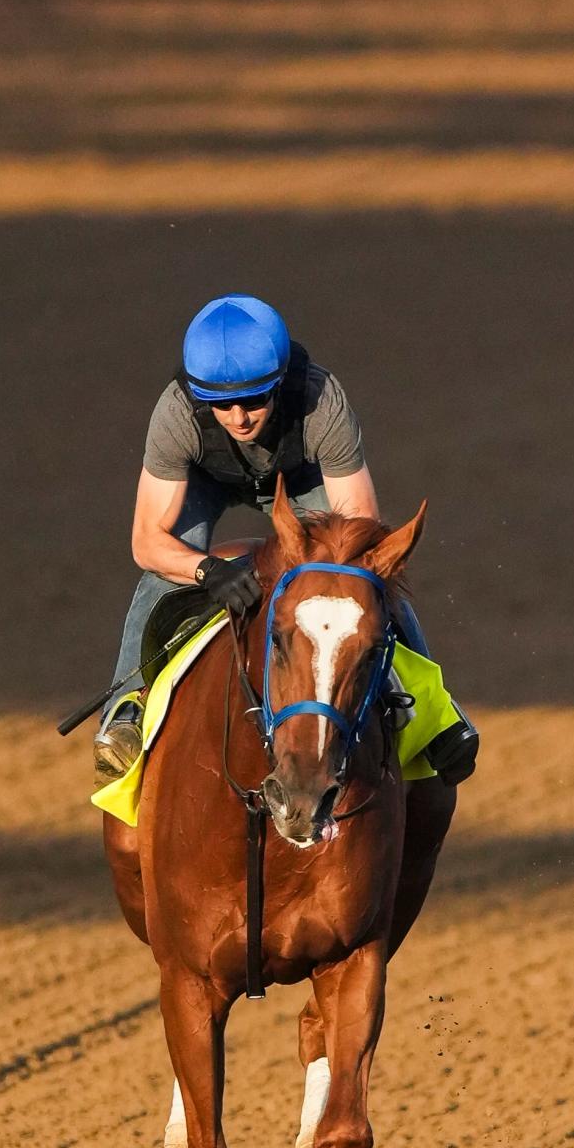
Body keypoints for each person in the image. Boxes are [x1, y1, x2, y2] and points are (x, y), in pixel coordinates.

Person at [94, 293, 479, 785]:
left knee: (362, 579)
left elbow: (361, 535)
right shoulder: (176, 414)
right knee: (160, 576)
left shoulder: (321, 402)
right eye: (219, 404)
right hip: (205, 483)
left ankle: (433, 707)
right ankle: (122, 713)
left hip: (300, 482)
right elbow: (148, 540)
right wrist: (207, 570)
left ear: (279, 384)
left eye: (254, 400)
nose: (238, 418)